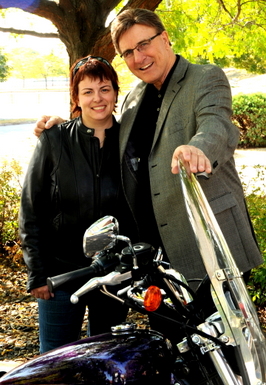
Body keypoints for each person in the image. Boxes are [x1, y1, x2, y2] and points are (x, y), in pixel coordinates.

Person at [33, 9, 263, 287]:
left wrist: (198, 149)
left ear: (165, 38)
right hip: (153, 258)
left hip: (210, 244)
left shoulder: (204, 78)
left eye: (144, 45)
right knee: (168, 331)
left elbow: (217, 124)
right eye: (128, 52)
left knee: (219, 331)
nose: (138, 58)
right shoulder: (133, 98)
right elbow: (109, 137)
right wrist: (66, 131)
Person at [19, 56, 129, 354]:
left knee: (106, 360)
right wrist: (37, 273)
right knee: (54, 362)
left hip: (113, 274)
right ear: (76, 97)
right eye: (88, 91)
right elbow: (30, 209)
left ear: (116, 92)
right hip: (61, 274)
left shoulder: (130, 142)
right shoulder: (54, 140)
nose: (98, 98)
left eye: (105, 89)